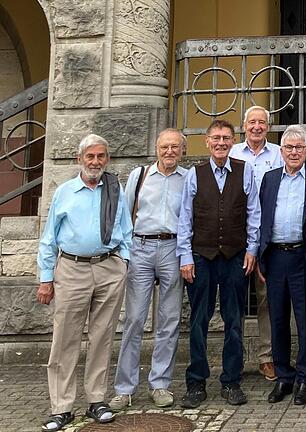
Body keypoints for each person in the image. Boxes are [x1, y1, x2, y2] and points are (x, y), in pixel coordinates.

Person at [36, 134, 132, 431]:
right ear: (80, 159)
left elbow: (126, 229)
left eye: (100, 156)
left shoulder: (116, 190)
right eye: (90, 156)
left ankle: (96, 401)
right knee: (66, 339)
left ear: (107, 159)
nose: (95, 162)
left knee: (102, 337)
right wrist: (45, 278)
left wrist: (123, 263)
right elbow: (49, 238)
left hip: (109, 269)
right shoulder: (65, 192)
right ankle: (61, 407)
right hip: (72, 270)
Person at [177, 119, 261, 408]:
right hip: (201, 257)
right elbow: (185, 219)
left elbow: (253, 213)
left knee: (234, 321)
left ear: (233, 141)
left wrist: (252, 249)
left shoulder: (245, 171)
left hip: (236, 256)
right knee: (198, 321)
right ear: (207, 141)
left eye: (226, 137)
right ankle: (196, 382)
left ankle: (231, 381)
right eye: (216, 138)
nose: (221, 142)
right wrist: (185, 256)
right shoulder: (194, 174)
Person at [111, 129, 188, 410]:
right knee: (134, 319)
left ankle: (160, 384)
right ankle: (124, 388)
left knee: (169, 320)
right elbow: (124, 214)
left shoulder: (187, 178)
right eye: (165, 146)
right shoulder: (140, 175)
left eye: (175, 147)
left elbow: (189, 218)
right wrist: (126, 252)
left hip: (172, 248)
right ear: (156, 148)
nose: (170, 151)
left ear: (183, 150)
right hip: (141, 247)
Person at [259, 125, 306, 406]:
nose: (294, 152)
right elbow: (261, 217)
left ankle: (305, 378)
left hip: (304, 256)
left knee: (305, 320)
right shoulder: (270, 178)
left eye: (299, 147)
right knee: (277, 320)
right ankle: (284, 377)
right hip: (275, 257)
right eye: (288, 147)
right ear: (281, 151)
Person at [230, 105, 283, 381]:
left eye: (262, 122)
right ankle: (234, 359)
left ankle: (267, 358)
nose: (257, 127)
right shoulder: (232, 154)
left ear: (268, 127)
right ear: (244, 126)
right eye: (252, 122)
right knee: (235, 300)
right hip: (236, 236)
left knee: (266, 300)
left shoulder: (278, 154)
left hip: (269, 237)